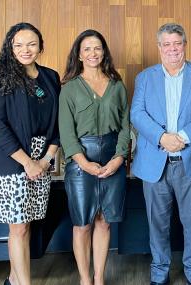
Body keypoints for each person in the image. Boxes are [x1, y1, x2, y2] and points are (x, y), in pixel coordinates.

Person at [130, 23, 191, 285]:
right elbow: (137, 114)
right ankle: (159, 274)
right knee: (157, 224)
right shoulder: (145, 77)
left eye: (177, 43)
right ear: (159, 48)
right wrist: (161, 138)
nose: (172, 49)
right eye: (166, 44)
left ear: (185, 45)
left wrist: (182, 137)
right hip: (154, 162)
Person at [0, 22, 60, 285]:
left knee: (28, 224)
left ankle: (14, 280)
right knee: (17, 227)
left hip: (43, 159)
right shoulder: (1, 78)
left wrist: (45, 159)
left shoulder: (51, 77)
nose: (25, 50)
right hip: (12, 159)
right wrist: (28, 162)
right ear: (10, 47)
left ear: (40, 45)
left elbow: (59, 124)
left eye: (31, 44)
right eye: (18, 45)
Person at [58, 29, 129, 285]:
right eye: (87, 49)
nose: (92, 53)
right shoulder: (68, 89)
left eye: (97, 48)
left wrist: (118, 159)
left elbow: (125, 127)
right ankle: (85, 279)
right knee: (83, 224)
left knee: (104, 222)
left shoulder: (117, 86)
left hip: (113, 160)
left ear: (104, 52)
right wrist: (84, 163)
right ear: (79, 54)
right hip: (80, 164)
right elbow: (66, 133)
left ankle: (99, 278)